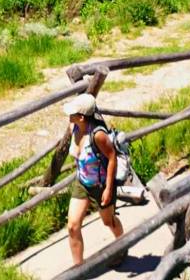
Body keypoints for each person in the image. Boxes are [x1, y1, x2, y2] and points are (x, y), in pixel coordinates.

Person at [64, 93, 125, 266]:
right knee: (72, 226)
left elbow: (112, 157)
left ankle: (123, 246)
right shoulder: (73, 126)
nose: (69, 115)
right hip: (82, 183)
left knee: (109, 221)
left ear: (82, 117)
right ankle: (78, 269)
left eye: (73, 112)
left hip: (101, 185)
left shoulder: (98, 135)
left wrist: (108, 189)